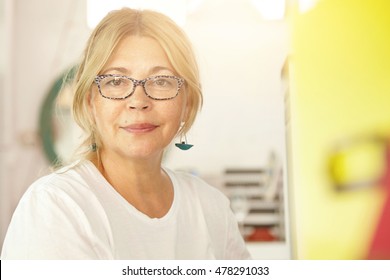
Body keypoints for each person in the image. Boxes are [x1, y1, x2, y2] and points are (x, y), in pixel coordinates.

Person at [1, 8, 251, 260]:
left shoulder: (211, 207)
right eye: (116, 81)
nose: (138, 101)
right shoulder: (56, 206)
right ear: (90, 102)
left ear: (187, 102)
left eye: (161, 81)